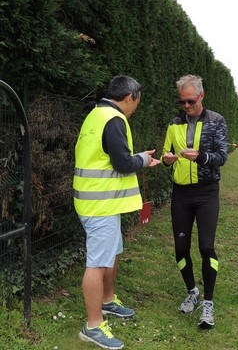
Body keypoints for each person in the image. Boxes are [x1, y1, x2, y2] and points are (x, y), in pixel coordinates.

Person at [73, 75, 160, 349]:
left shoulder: (96, 115)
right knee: (97, 263)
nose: (136, 107)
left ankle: (107, 302)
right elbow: (122, 163)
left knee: (112, 252)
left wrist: (139, 158)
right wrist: (143, 160)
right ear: (130, 97)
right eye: (137, 102)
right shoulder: (114, 119)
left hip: (98, 202)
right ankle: (93, 326)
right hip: (99, 205)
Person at [161, 74, 228, 329]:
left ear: (201, 96)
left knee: (206, 247)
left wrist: (200, 157)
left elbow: (222, 156)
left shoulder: (216, 121)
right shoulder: (174, 122)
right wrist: (167, 159)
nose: (186, 107)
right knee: (180, 248)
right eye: (182, 102)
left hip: (207, 192)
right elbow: (167, 152)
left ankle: (208, 304)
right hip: (181, 194)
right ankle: (192, 291)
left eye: (190, 101)